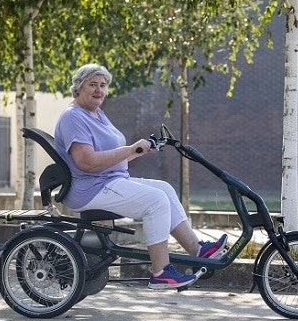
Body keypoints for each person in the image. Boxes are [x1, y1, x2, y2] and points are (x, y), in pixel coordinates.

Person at [54, 63, 227, 290]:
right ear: (78, 88)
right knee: (155, 201)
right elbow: (86, 162)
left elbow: (110, 156)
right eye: (92, 85)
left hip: (108, 181)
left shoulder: (97, 114)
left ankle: (198, 250)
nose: (98, 90)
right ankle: (161, 272)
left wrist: (138, 151)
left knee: (164, 189)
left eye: (103, 86)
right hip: (90, 188)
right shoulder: (73, 117)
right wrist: (129, 149)